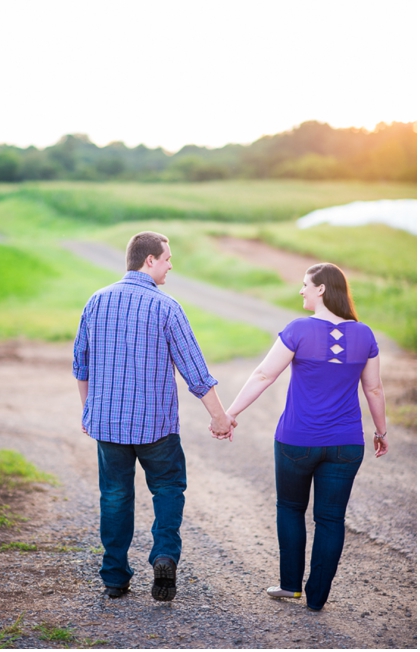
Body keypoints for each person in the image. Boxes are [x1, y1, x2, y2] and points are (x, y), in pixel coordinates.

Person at [73, 231, 236, 602]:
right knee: (167, 488)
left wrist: (88, 408)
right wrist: (220, 418)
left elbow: (80, 365)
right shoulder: (167, 307)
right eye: (167, 259)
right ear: (149, 260)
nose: (170, 265)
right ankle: (164, 555)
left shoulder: (96, 301)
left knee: (114, 496)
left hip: (109, 424)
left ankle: (115, 578)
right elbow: (195, 371)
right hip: (156, 428)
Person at [223, 262, 388, 611]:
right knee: (331, 519)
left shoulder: (299, 330)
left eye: (305, 285)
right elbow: (373, 390)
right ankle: (318, 597)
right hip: (346, 444)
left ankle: (290, 586)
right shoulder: (365, 335)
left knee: (291, 508)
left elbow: (264, 375)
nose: (301, 290)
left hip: (297, 441)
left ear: (322, 290)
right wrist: (382, 431)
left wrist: (231, 413)